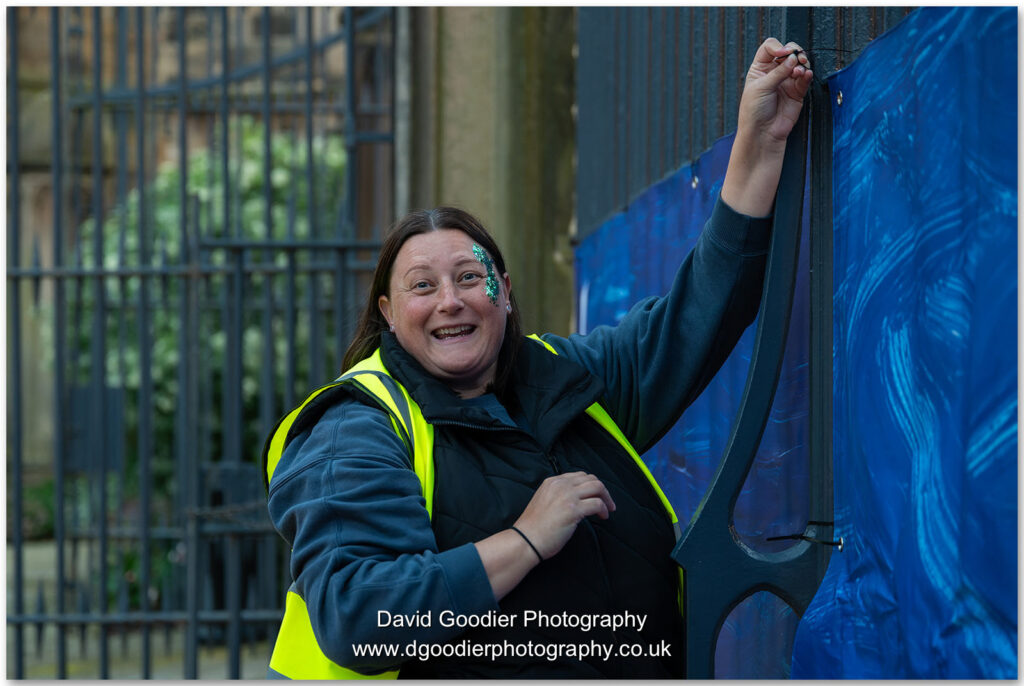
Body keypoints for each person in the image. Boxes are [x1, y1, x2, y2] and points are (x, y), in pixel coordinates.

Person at [263, 37, 813, 679]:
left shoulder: (563, 378)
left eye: (470, 277)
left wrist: (760, 140)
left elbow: (698, 314)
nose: (450, 300)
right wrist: (525, 539)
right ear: (387, 312)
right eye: (422, 286)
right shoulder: (356, 429)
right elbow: (360, 616)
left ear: (503, 290)